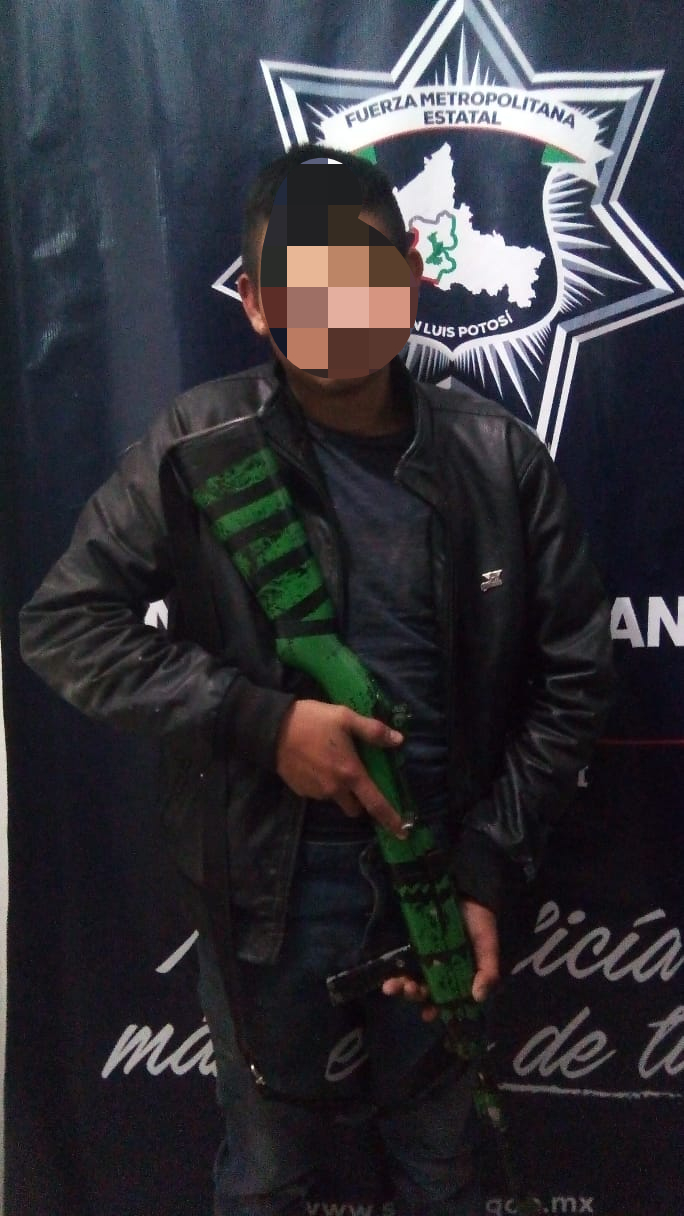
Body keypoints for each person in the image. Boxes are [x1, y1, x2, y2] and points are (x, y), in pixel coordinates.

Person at [20, 144, 613, 1216]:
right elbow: (63, 626)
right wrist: (260, 721)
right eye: (303, 283)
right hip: (266, 900)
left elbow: (575, 677)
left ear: (413, 278)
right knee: (266, 1172)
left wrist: (486, 864)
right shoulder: (195, 449)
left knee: (442, 1164)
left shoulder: (500, 458)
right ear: (257, 304)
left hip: (443, 873)